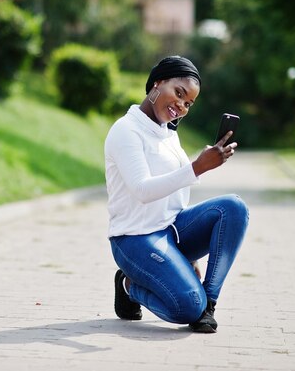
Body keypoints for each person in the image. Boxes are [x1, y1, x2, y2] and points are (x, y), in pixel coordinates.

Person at [104, 55, 249, 333]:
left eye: (188, 103)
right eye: (178, 94)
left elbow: (174, 197)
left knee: (233, 208)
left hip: (172, 231)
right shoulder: (126, 130)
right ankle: (129, 285)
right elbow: (143, 190)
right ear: (157, 83)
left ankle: (210, 303)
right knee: (186, 306)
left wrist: (191, 259)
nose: (180, 106)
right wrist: (197, 167)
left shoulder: (168, 133)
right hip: (135, 239)